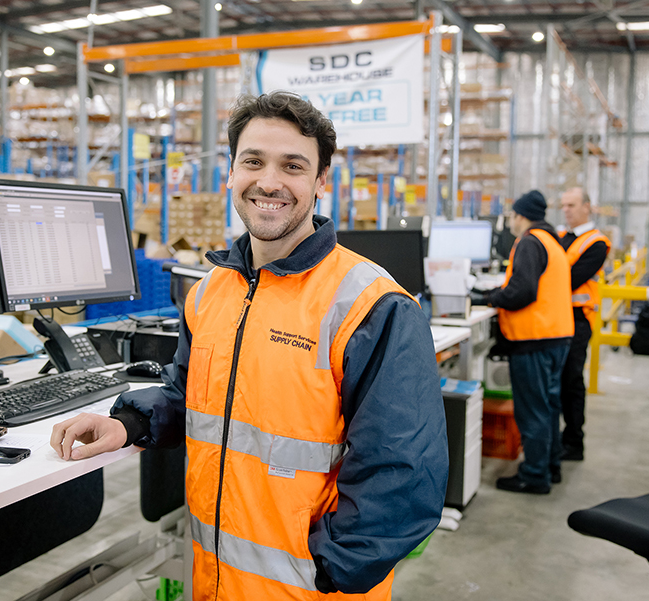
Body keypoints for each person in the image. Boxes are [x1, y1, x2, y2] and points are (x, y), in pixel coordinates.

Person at [50, 91, 448, 600]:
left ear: (321, 180)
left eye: (293, 165)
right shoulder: (209, 293)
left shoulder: (372, 305)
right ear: (231, 172)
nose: (269, 182)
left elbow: (404, 472)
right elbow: (190, 395)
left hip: (310, 591)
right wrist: (125, 424)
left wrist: (330, 569)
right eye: (253, 161)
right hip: (214, 581)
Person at [473, 190, 573, 494]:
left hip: (535, 338)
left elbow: (521, 292)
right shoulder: (551, 241)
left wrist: (487, 297)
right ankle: (549, 467)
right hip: (557, 336)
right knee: (548, 407)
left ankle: (533, 475)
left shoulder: (529, 242)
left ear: (520, 216)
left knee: (533, 411)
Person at [558, 187, 610, 461]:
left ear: (587, 207)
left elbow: (567, 279)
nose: (566, 210)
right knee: (558, 381)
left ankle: (574, 442)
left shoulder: (596, 243)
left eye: (572, 205)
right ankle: (561, 438)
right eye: (564, 205)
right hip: (556, 318)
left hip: (578, 320)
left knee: (571, 381)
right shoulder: (560, 237)